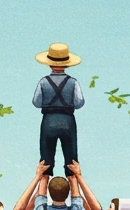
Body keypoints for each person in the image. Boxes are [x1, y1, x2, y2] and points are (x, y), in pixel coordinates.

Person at [32, 42, 84, 176]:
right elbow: (79, 102)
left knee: (46, 158)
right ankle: (75, 193)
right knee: (71, 158)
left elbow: (36, 102)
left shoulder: (43, 82)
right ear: (67, 64)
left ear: (49, 63)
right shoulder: (74, 82)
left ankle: (42, 193)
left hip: (48, 121)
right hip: (68, 121)